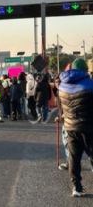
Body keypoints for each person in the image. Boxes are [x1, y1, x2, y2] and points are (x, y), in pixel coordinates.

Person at [58, 58, 93, 197]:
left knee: (73, 158)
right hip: (89, 127)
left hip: (70, 127)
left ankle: (76, 188)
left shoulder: (62, 86)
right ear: (84, 70)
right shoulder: (90, 84)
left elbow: (61, 107)